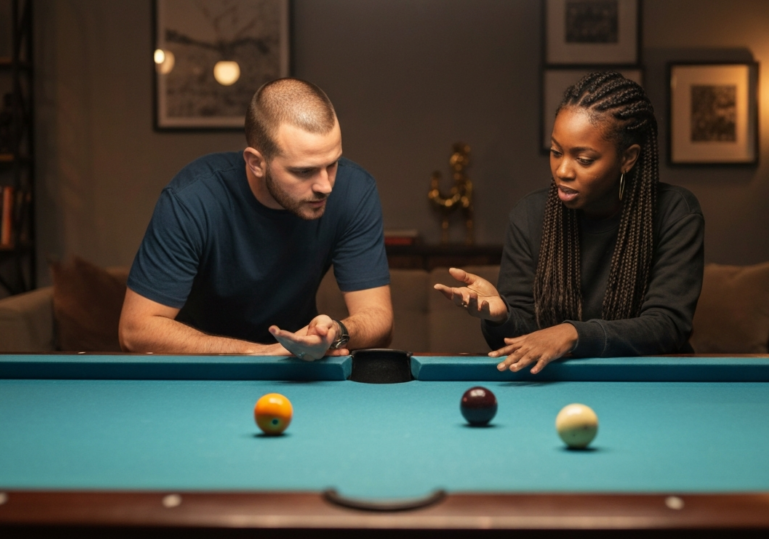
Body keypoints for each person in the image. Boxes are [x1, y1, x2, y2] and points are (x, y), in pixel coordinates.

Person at [435, 72, 704, 373]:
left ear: (628, 158)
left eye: (584, 159)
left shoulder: (674, 212)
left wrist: (573, 333)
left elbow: (667, 326)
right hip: (557, 383)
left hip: (652, 385)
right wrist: (501, 315)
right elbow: (520, 341)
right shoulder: (529, 216)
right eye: (555, 152)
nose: (562, 170)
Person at [119, 78, 393, 359]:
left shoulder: (353, 191)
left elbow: (379, 319)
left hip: (297, 368)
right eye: (303, 171)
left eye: (333, 163)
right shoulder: (192, 199)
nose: (326, 185)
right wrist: (256, 352)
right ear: (256, 163)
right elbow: (135, 330)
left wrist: (337, 332)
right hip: (200, 367)